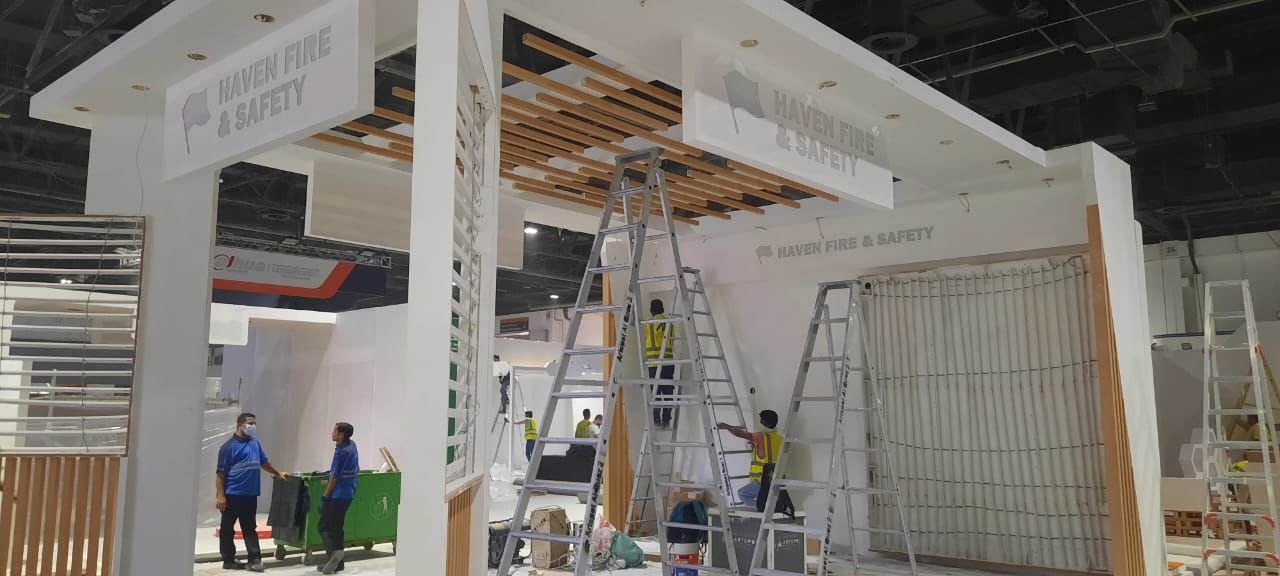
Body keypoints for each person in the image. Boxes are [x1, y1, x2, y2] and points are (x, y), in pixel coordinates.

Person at [216, 413, 287, 572]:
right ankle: (228, 559)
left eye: (254, 423)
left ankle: (255, 559)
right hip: (233, 494)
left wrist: (277, 473)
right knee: (227, 528)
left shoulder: (255, 443)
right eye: (250, 423)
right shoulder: (228, 447)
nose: (253, 426)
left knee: (249, 527)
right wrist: (221, 496)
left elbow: (264, 462)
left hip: (250, 495)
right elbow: (220, 475)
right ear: (240, 424)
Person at [717, 410, 782, 507]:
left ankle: (761, 508)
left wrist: (728, 427)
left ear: (766, 423)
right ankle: (765, 507)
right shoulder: (779, 438)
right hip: (775, 480)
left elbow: (742, 434)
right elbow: (769, 453)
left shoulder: (761, 436)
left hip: (762, 481)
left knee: (742, 493)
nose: (759, 423)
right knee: (760, 498)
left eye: (761, 421)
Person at [319, 422, 359, 574]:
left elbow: (334, 477)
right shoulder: (352, 445)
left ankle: (335, 556)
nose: (332, 433)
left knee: (325, 526)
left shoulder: (341, 452)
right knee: (337, 526)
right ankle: (338, 562)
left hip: (338, 495)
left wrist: (325, 497)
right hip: (349, 492)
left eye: (334, 431)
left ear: (341, 435)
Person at [645, 299, 676, 428]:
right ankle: (666, 419)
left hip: (654, 363)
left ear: (651, 310)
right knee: (668, 391)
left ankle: (656, 420)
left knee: (655, 392)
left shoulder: (649, 324)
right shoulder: (670, 323)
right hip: (668, 362)